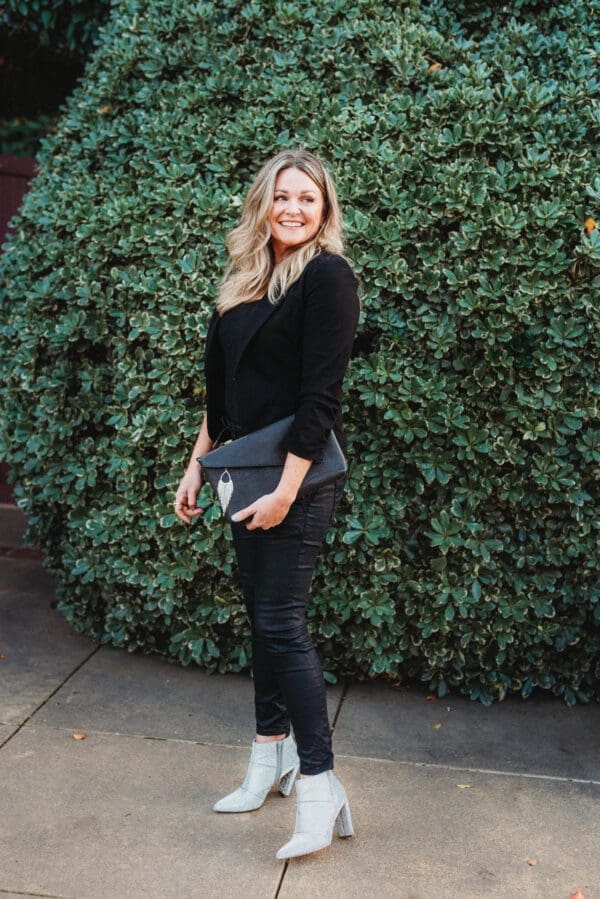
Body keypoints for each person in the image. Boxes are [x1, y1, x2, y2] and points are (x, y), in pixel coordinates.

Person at [173, 148, 361, 860]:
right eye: (283, 195)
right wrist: (197, 467)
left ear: (324, 210)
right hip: (242, 474)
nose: (293, 208)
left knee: (283, 622)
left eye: (308, 199)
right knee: (261, 620)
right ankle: (269, 757)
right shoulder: (244, 281)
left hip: (299, 481)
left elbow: (322, 400)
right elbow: (221, 398)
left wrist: (286, 490)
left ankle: (319, 784)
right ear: (264, 202)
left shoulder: (327, 277)